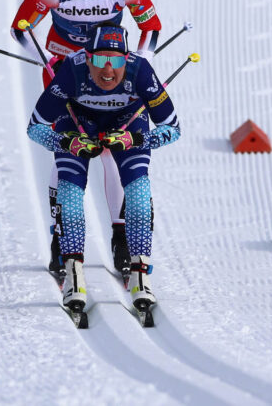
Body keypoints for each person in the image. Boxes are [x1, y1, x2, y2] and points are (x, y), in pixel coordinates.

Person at [11, 0, 163, 279]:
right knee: (69, 147)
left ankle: (121, 236)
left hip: (110, 69)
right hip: (65, 69)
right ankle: (59, 236)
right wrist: (45, 61)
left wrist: (141, 62)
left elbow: (152, 25)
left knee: (111, 148)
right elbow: (21, 25)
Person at [26, 24, 181, 310]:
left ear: (127, 59)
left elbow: (173, 129)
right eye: (99, 60)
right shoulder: (72, 70)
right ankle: (73, 272)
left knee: (139, 191)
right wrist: (66, 142)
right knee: (70, 193)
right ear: (87, 58)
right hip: (76, 123)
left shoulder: (142, 71)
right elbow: (34, 127)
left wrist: (135, 138)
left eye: (117, 60)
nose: (108, 70)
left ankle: (140, 274)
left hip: (128, 123)